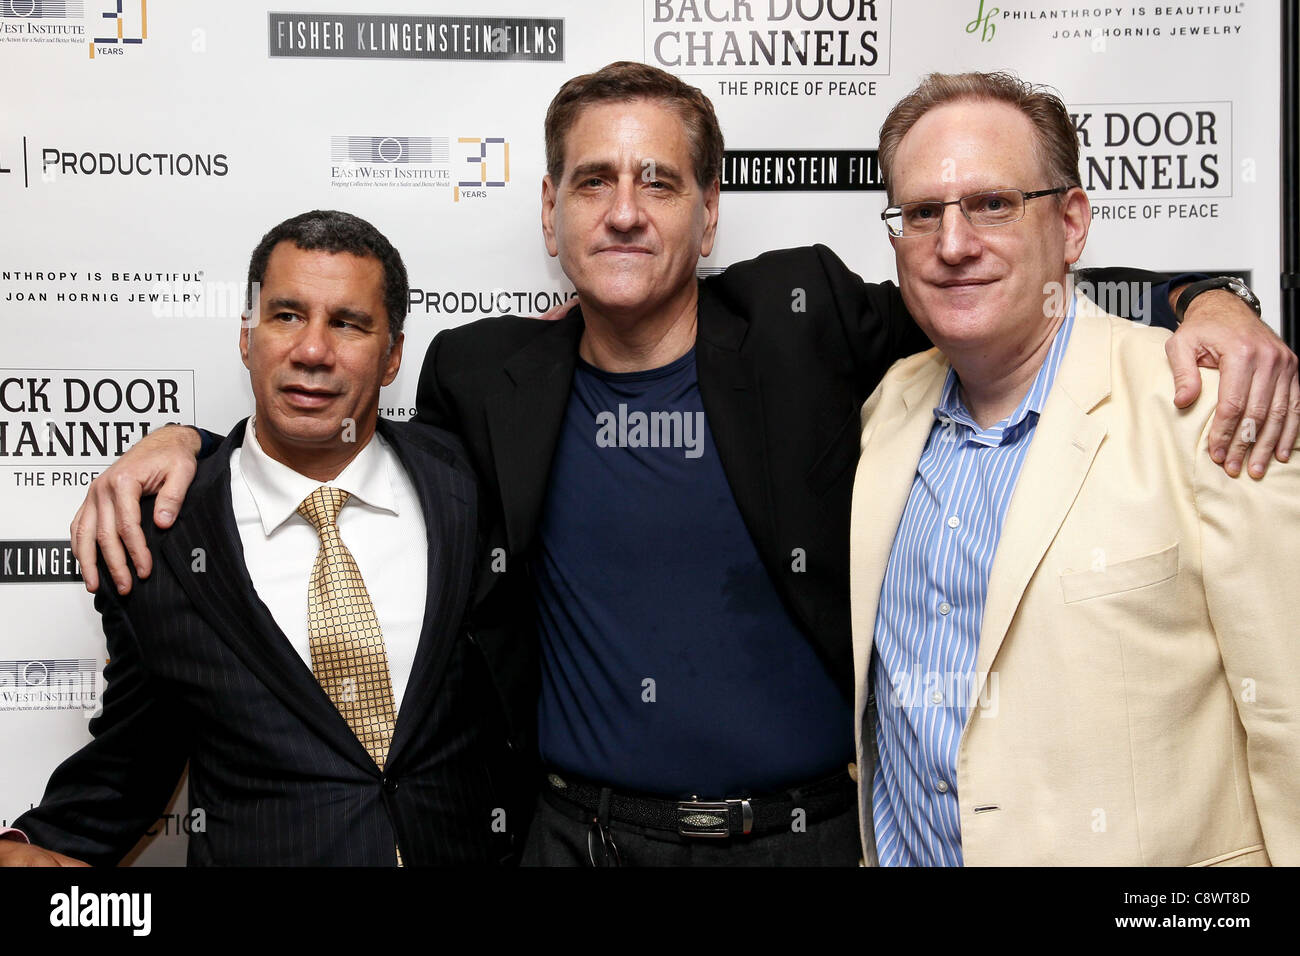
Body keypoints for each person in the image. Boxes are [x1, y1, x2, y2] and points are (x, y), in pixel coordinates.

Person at [66, 63, 1298, 866]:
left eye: (659, 180)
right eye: (594, 180)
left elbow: (992, 287)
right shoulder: (483, 375)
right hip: (573, 844)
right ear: (548, 209)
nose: (624, 209)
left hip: (810, 843)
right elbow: (337, 446)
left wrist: (1209, 300)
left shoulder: (807, 313)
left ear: (710, 216)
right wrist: (191, 447)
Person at [849, 72, 1300, 867]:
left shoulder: (1209, 409)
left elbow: (1290, 717)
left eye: (993, 204)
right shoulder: (887, 409)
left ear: (1071, 221)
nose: (953, 245)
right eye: (923, 213)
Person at [0, 211, 523, 866]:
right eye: (285, 316)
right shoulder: (161, 545)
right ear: (246, 336)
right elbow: (130, 763)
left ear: (392, 354)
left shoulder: (473, 483)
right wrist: (27, 847)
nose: (311, 350)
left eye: (348, 323)